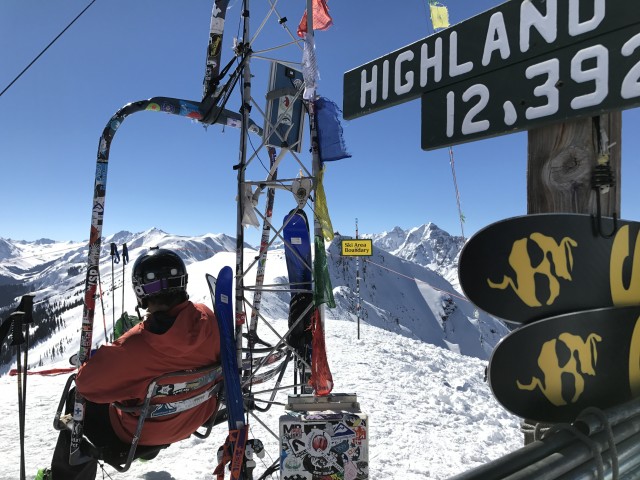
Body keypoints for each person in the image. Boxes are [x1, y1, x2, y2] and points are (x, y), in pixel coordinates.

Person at [39, 248, 221, 480]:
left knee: (78, 400)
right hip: (195, 417)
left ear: (141, 291)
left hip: (141, 433)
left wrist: (104, 358)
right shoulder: (210, 319)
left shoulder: (135, 345)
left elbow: (87, 385)